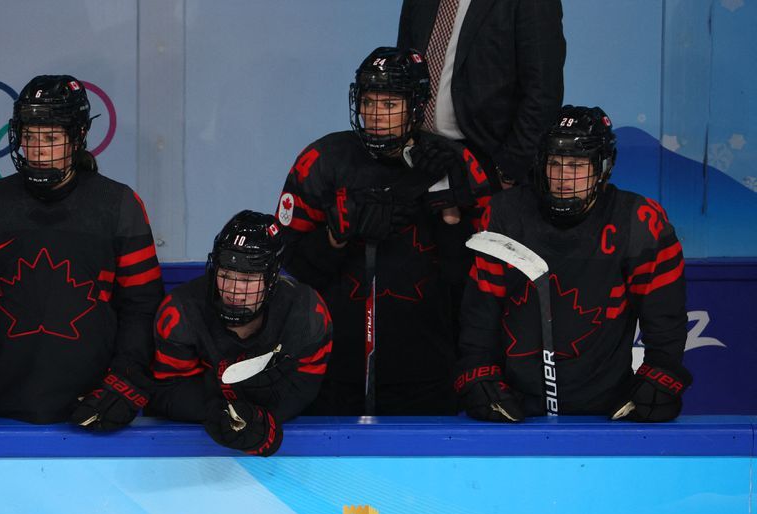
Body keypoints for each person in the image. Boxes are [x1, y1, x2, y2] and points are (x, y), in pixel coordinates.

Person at [0, 74, 163, 427]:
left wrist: (126, 380)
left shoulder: (118, 204)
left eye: (51, 138)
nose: (37, 150)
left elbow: (142, 307)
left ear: (78, 138)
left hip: (92, 408)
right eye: (30, 137)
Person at [457, 105, 690, 422]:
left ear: (603, 166)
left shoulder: (639, 220)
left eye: (577, 165)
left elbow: (664, 314)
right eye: (554, 163)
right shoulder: (504, 213)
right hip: (516, 407)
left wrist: (661, 374)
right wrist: (477, 375)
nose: (563, 177)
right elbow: (480, 312)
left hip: (607, 408)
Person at [277, 46, 476, 416]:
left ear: (417, 105)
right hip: (334, 368)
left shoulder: (454, 162)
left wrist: (450, 217)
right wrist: (334, 239)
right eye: (368, 103)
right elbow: (293, 266)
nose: (375, 116)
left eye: (389, 105)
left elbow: (474, 277)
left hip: (428, 369)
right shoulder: (322, 160)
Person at [149, 210, 332, 456]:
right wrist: (220, 412)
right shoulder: (180, 311)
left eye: (247, 279)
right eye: (225, 275)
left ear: (272, 278)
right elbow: (167, 390)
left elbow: (306, 384)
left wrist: (267, 415)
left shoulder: (307, 313)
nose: (233, 290)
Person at [397, 0, 566, 188]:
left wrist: (508, 169)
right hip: (420, 156)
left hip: (487, 163)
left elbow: (544, 92)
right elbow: (404, 68)